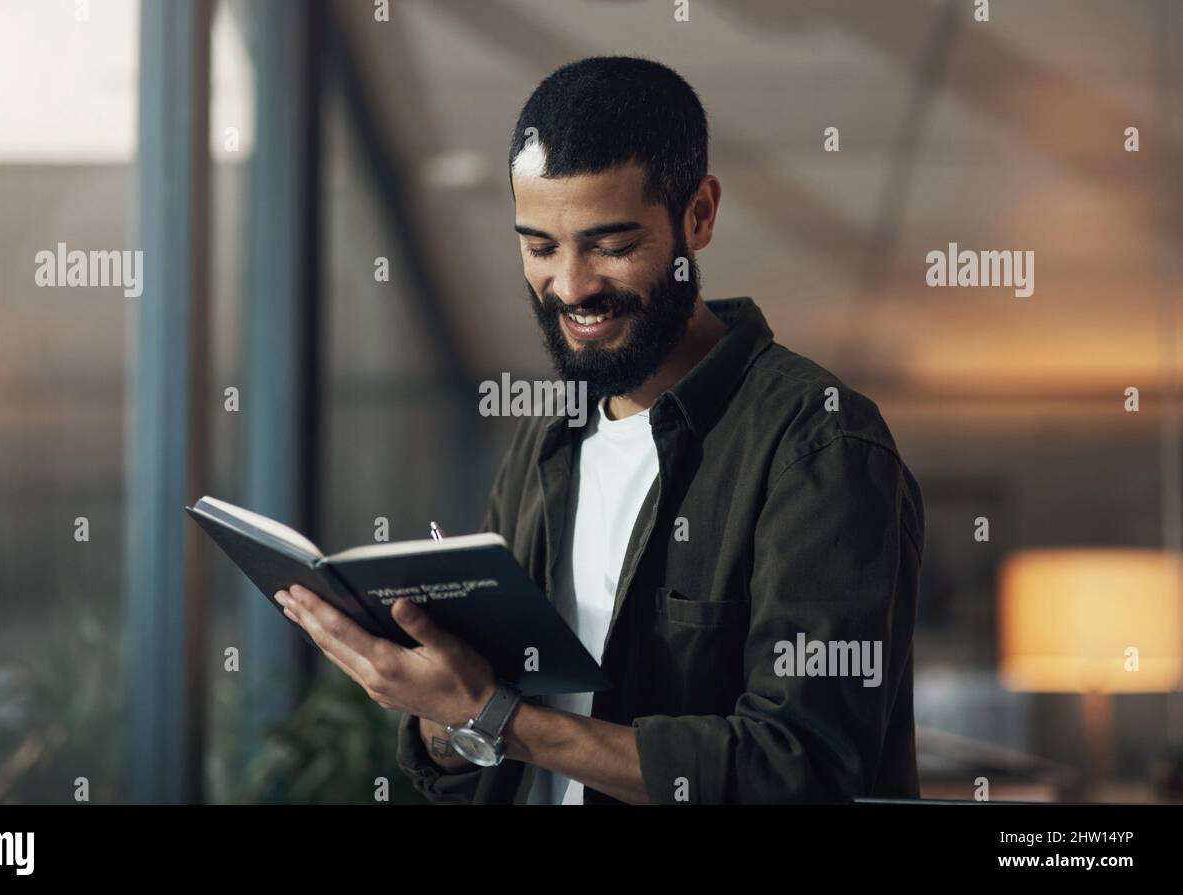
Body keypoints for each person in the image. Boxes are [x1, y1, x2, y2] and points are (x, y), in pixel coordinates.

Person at [275, 55, 924, 805]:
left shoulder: (820, 447)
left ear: (699, 216)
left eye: (611, 246)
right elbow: (468, 762)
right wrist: (436, 713)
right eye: (540, 246)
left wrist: (493, 714)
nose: (572, 286)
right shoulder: (545, 439)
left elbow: (797, 773)